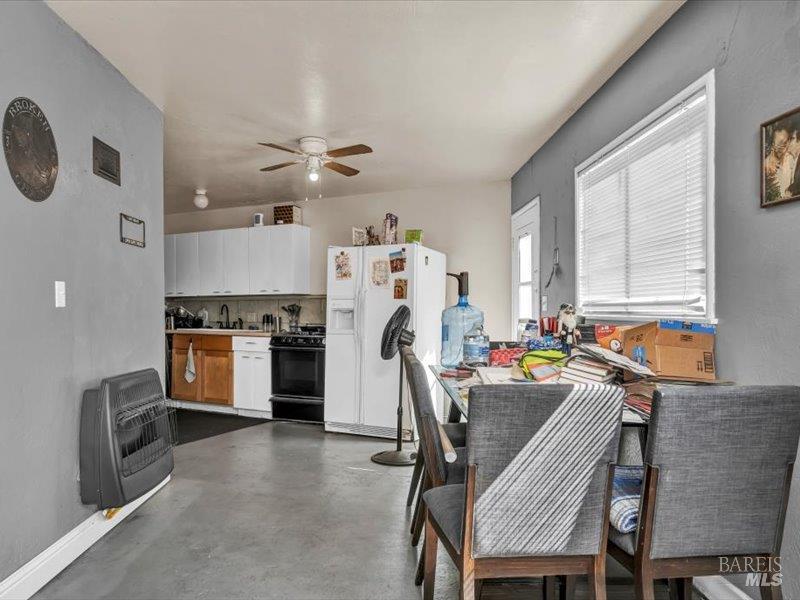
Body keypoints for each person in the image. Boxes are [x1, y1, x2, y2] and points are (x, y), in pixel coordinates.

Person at [765, 127, 797, 199]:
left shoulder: (790, 158)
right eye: (779, 145)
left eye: (785, 144)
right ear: (773, 144)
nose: (782, 149)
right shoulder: (766, 165)